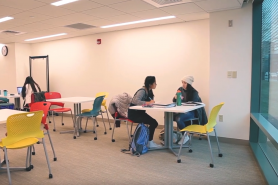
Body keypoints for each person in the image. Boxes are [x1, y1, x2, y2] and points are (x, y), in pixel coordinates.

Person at [173, 75, 208, 145]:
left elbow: (193, 104)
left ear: (189, 84)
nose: (183, 84)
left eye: (185, 83)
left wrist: (183, 104)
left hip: (192, 112)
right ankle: (172, 136)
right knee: (168, 116)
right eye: (182, 82)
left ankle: (185, 136)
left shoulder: (194, 92)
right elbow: (174, 100)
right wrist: (175, 97)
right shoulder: (180, 89)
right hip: (182, 111)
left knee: (178, 118)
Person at [128, 76, 161, 148]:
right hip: (134, 114)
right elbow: (135, 101)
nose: (156, 84)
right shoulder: (142, 91)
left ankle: (147, 140)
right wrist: (148, 102)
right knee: (154, 123)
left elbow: (148, 102)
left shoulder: (149, 91)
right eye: (155, 83)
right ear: (150, 84)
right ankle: (149, 142)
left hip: (140, 113)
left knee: (153, 122)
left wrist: (150, 102)